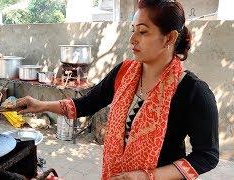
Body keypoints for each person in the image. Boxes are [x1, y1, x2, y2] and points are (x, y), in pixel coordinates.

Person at [13, 0, 219, 179]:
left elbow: (207, 155)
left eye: (143, 32)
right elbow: (86, 103)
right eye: (133, 30)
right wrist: (40, 105)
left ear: (170, 38)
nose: (132, 40)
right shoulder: (124, 72)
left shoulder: (193, 92)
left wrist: (148, 176)